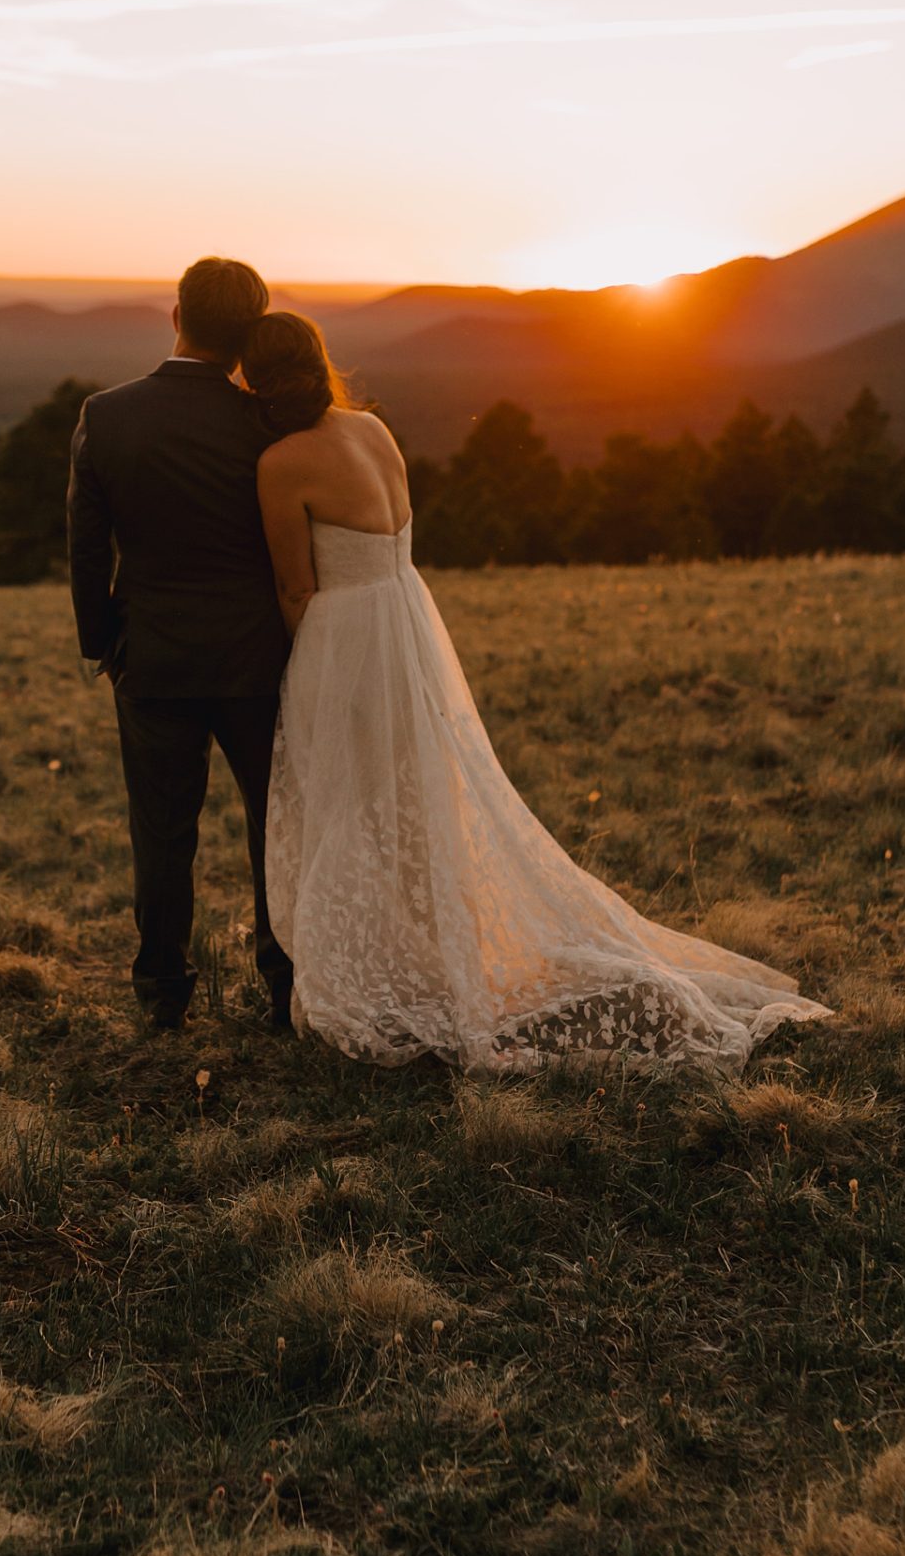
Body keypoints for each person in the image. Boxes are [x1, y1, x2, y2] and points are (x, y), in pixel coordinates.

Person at [241, 310, 831, 1069]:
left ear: (254, 382)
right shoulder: (373, 432)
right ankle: (429, 940)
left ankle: (389, 959)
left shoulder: (280, 462)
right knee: (415, 794)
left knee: (349, 802)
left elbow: (295, 586)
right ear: (318, 363)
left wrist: (305, 667)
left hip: (347, 636)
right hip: (407, 619)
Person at [68, 256, 293, 1033]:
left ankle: (163, 988)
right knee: (277, 826)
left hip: (153, 656)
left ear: (176, 316)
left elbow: (88, 549)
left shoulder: (107, 414)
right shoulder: (267, 422)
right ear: (247, 336)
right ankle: (285, 985)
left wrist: (103, 643)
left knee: (161, 830)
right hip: (259, 658)